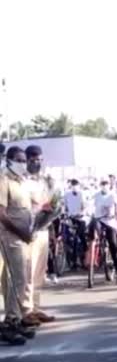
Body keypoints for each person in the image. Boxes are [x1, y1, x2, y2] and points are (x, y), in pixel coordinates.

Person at [0, 147, 37, 345]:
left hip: (24, 237)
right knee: (16, 279)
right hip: (10, 236)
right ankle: (9, 323)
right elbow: (2, 214)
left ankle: (18, 318)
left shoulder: (22, 182)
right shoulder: (3, 180)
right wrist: (20, 231)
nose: (23, 163)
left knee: (22, 279)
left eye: (24, 160)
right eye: (19, 160)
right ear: (9, 160)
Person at [23, 145, 57, 322]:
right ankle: (26, 311)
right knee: (28, 271)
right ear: (27, 159)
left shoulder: (44, 180)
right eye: (33, 159)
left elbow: (48, 202)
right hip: (28, 231)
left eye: (39, 159)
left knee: (39, 271)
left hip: (43, 228)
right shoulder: (22, 180)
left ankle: (35, 308)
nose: (37, 163)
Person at [90, 179, 117, 282]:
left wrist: (116, 219)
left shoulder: (113, 195)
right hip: (99, 220)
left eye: (106, 184)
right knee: (92, 225)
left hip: (110, 221)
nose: (104, 185)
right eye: (102, 184)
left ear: (109, 185)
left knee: (113, 244)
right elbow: (90, 206)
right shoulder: (96, 196)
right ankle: (94, 248)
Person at [63, 178, 87, 267]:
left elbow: (85, 206)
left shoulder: (82, 194)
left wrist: (82, 213)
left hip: (80, 218)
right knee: (68, 238)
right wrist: (64, 213)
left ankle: (83, 258)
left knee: (81, 237)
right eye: (72, 185)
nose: (74, 187)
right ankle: (71, 260)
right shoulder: (67, 195)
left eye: (75, 185)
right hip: (70, 218)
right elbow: (64, 206)